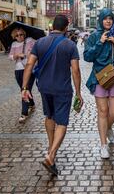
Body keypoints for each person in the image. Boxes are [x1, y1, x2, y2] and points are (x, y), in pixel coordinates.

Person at [21, 15, 83, 176]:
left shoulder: (39, 43)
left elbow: (29, 64)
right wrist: (78, 92)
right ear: (66, 28)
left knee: (49, 116)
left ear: (52, 26)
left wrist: (24, 87)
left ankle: (51, 149)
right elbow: (75, 70)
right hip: (62, 89)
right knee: (61, 122)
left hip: (44, 88)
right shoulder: (70, 45)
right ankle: (51, 155)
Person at [83, 8, 114, 159]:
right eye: (105, 18)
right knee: (103, 111)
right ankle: (103, 145)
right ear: (101, 20)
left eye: (110, 18)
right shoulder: (94, 36)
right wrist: (100, 42)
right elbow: (87, 57)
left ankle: (108, 126)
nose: (108, 21)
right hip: (99, 78)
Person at [9, 28, 36, 123]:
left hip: (29, 69)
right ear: (14, 36)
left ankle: (24, 113)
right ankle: (31, 103)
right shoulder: (14, 44)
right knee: (24, 88)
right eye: (17, 35)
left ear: (24, 34)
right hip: (18, 70)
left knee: (24, 90)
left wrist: (27, 54)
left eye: (21, 34)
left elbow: (35, 52)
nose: (19, 36)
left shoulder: (30, 41)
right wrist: (17, 55)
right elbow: (10, 57)